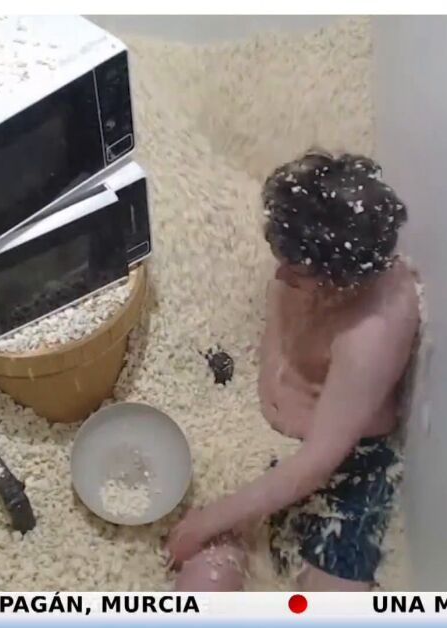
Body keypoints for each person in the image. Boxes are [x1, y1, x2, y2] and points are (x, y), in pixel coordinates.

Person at [166, 150, 421, 591]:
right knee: (206, 580)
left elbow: (316, 464)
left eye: (297, 272)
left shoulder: (369, 333)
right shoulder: (318, 240)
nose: (281, 276)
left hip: (341, 465)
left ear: (340, 281)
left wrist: (210, 519)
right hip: (257, 439)